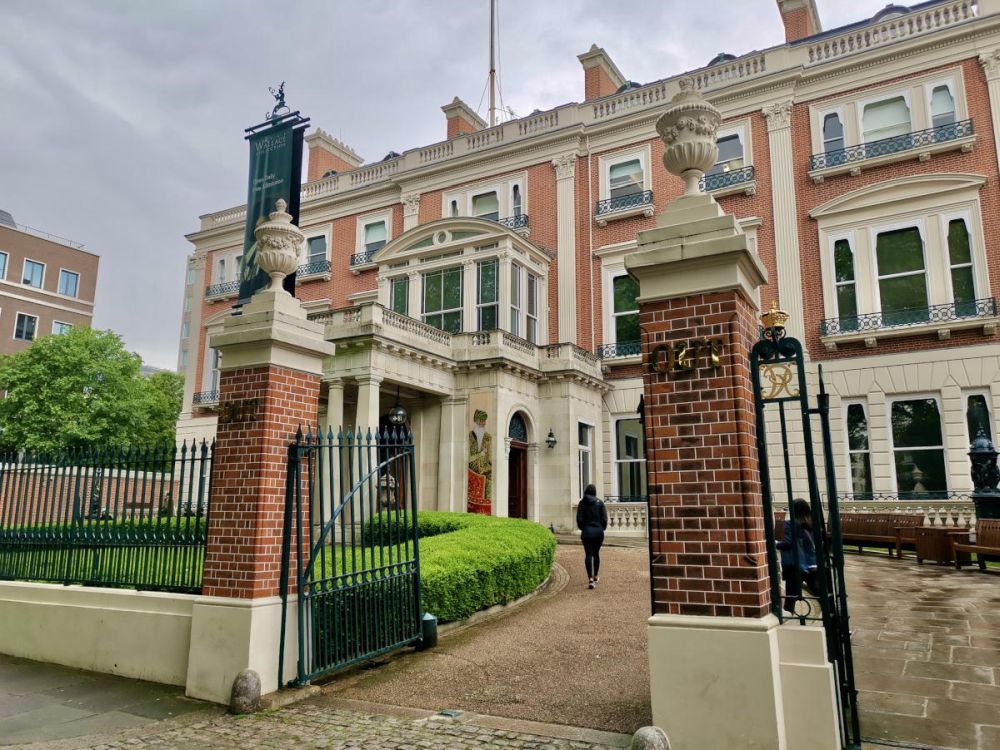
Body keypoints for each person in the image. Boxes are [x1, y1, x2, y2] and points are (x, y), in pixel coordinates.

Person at [777, 498, 819, 614]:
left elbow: (787, 543)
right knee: (820, 594)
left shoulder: (790, 524)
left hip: (794, 565)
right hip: (812, 564)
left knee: (790, 598)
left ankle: (788, 618)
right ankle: (832, 620)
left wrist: (774, 544)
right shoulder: (811, 524)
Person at [576, 484, 608, 589]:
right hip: (598, 532)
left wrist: (583, 528)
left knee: (588, 554)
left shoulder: (581, 503)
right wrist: (601, 528)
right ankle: (596, 576)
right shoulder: (600, 503)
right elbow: (604, 519)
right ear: (594, 492)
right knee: (596, 553)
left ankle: (590, 578)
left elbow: (579, 520)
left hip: (587, 532)